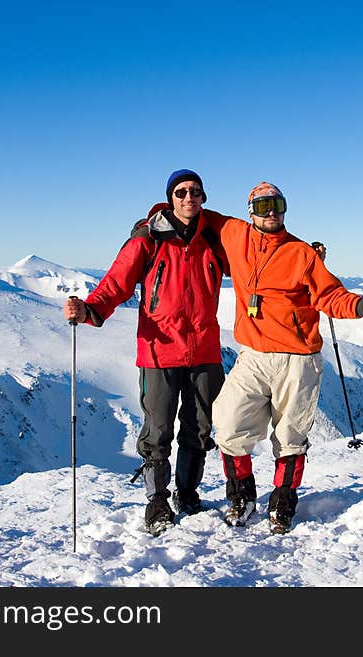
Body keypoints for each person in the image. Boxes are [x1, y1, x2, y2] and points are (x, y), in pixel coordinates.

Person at [199, 182, 363, 534]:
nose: (272, 211)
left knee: (290, 435)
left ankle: (283, 500)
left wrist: (359, 305)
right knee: (227, 422)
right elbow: (191, 211)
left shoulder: (301, 254)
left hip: (297, 358)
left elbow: (329, 295)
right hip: (252, 354)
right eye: (264, 204)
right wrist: (150, 223)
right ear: (250, 210)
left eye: (278, 204)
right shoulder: (233, 233)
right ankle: (241, 494)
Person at [63, 169, 227, 536]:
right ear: (171, 197)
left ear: (203, 198)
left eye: (196, 192)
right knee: (158, 430)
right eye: (182, 192)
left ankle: (188, 493)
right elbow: (116, 283)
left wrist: (302, 256)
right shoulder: (148, 240)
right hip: (159, 351)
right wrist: (90, 310)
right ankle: (157, 501)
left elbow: (257, 265)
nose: (189, 198)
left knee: (199, 428)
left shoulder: (214, 240)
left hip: (204, 349)